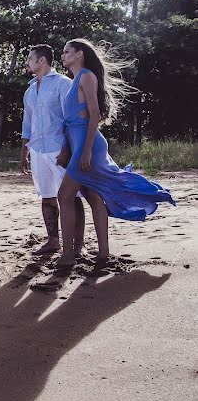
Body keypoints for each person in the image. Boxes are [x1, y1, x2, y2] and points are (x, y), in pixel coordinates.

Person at [56, 39, 176, 268]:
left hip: (88, 147)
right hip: (78, 146)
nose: (63, 55)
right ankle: (102, 253)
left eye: (66, 51)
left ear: (79, 54)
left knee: (64, 195)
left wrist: (86, 152)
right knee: (93, 196)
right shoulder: (74, 81)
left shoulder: (86, 76)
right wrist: (66, 151)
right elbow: (70, 123)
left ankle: (69, 254)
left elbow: (95, 115)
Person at [21, 44, 85, 255]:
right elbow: (27, 123)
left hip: (59, 149)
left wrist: (68, 149)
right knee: (47, 196)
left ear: (42, 61)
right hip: (38, 150)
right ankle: (53, 241)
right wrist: (24, 152)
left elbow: (71, 120)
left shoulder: (63, 84)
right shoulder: (30, 90)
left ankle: (78, 245)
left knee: (72, 196)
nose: (28, 62)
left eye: (30, 58)